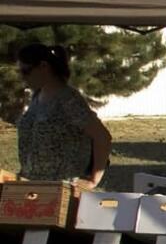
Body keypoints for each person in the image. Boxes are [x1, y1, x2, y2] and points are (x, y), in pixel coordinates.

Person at [14, 43, 111, 188]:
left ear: (44, 66)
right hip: (34, 185)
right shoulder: (37, 96)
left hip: (62, 187)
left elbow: (102, 137)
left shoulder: (68, 99)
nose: (22, 77)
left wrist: (93, 180)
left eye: (26, 71)